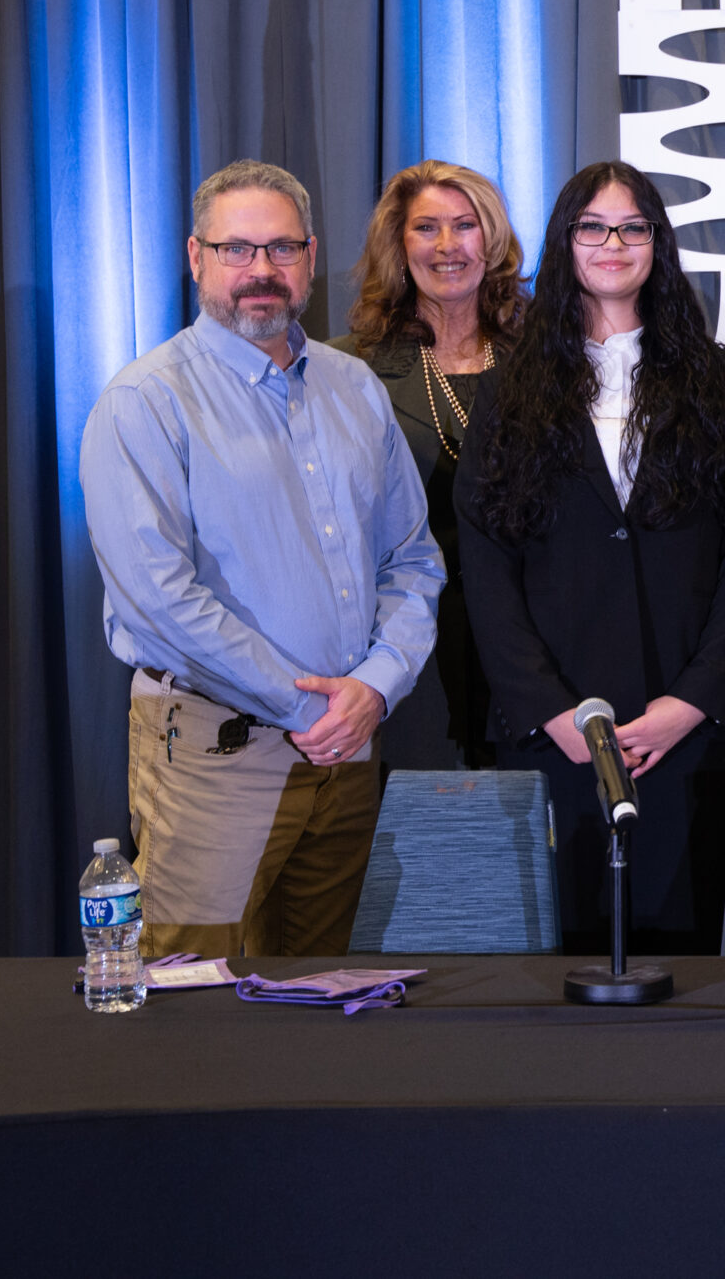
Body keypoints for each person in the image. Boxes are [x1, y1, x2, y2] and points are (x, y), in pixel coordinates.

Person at [81, 159, 443, 957]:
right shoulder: (145, 402)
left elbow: (412, 559)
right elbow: (158, 601)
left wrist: (376, 685)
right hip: (217, 756)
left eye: (281, 248)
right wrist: (310, 708)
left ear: (311, 257)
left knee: (322, 996)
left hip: (349, 751)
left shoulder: (355, 388)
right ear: (196, 256)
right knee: (195, 995)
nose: (261, 270)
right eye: (236, 249)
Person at [456, 162, 725, 953]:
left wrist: (692, 701)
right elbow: (487, 570)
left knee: (684, 966)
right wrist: (553, 711)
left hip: (688, 735)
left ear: (657, 244)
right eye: (593, 227)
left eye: (633, 227)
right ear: (565, 242)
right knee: (555, 968)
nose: (613, 243)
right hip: (554, 733)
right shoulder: (506, 392)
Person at [333, 160, 528, 772]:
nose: (447, 246)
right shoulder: (346, 371)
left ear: (492, 239)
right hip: (401, 660)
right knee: (421, 830)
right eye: (426, 228)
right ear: (398, 245)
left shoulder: (547, 363)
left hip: (528, 660)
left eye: (465, 225)